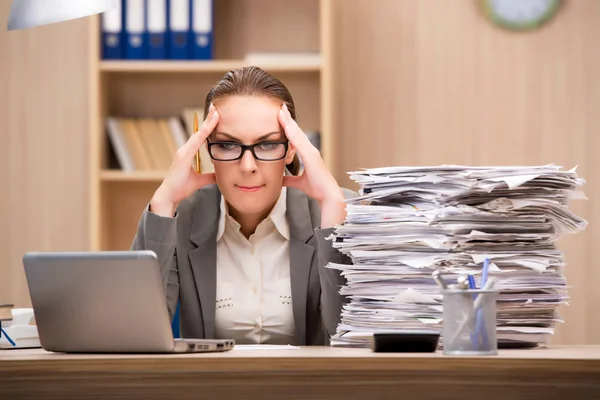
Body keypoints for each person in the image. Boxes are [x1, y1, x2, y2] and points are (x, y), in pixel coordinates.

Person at [131, 66, 355, 346]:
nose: (247, 166)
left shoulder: (340, 211)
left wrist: (333, 210)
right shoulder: (178, 216)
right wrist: (163, 203)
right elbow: (133, 336)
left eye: (267, 145)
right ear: (206, 148)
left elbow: (351, 343)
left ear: (293, 148)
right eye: (227, 146)